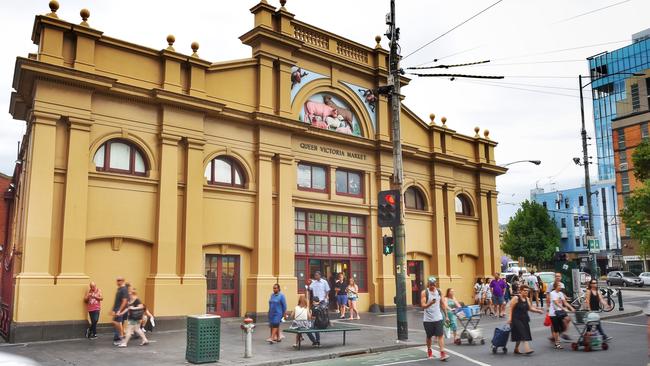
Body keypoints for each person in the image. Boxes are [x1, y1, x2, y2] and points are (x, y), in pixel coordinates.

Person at [507, 284, 544, 354]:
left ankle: (516, 348)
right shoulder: (516, 298)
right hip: (516, 319)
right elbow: (510, 308)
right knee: (523, 332)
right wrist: (509, 318)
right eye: (524, 291)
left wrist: (538, 311)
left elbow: (530, 308)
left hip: (524, 319)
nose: (526, 292)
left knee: (520, 334)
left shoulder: (527, 299)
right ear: (520, 291)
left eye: (527, 291)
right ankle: (527, 349)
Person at [421, 276, 449, 361]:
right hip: (428, 319)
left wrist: (446, 316)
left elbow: (443, 304)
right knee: (429, 336)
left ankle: (442, 352)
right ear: (428, 284)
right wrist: (430, 303)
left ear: (435, 284)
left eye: (433, 284)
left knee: (440, 335)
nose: (432, 286)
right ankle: (429, 349)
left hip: (438, 318)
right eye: (430, 284)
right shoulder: (424, 292)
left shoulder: (439, 292)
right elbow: (423, 306)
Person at [549, 281, 574, 349]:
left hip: (560, 311)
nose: (560, 287)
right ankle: (557, 343)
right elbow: (556, 302)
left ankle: (562, 333)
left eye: (560, 285)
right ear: (555, 287)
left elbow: (565, 302)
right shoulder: (552, 293)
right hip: (554, 313)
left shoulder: (561, 293)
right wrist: (564, 308)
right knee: (556, 329)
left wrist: (571, 308)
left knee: (568, 319)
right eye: (559, 285)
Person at [111, 277, 129, 346]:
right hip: (117, 309)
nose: (117, 282)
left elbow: (124, 301)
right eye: (117, 280)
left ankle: (122, 338)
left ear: (123, 281)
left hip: (120, 309)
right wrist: (113, 309)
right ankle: (121, 337)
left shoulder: (124, 289)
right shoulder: (119, 289)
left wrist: (119, 310)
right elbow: (117, 301)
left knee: (117, 322)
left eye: (119, 280)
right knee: (117, 323)